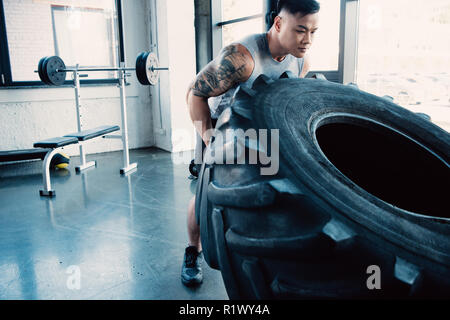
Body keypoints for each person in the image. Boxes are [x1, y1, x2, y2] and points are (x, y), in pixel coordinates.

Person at [181, 0, 320, 287]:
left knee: (267, 194)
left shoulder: (301, 60)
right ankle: (193, 251)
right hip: (221, 130)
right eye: (300, 30)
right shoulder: (242, 58)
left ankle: (262, 254)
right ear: (279, 24)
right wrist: (212, 142)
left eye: (313, 32)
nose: (307, 40)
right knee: (206, 196)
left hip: (262, 136)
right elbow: (194, 94)